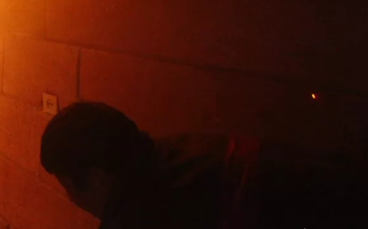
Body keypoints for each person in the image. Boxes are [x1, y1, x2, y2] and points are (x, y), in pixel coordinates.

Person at [40, 101, 367, 229]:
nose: (72, 199)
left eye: (68, 186)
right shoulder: (169, 154)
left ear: (96, 179)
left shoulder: (151, 211)